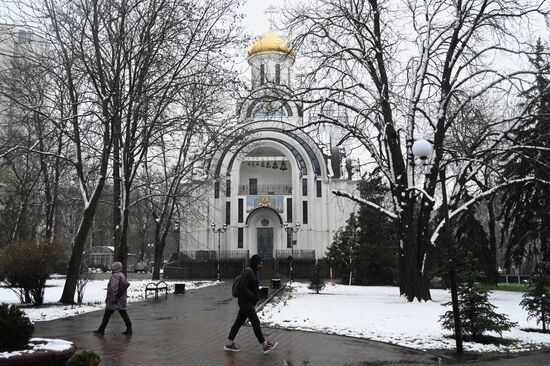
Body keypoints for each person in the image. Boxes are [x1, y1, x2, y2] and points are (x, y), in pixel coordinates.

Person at [224, 254, 277, 354]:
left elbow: (251, 285)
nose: (261, 265)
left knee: (238, 322)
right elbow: (242, 286)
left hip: (247, 303)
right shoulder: (248, 272)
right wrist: (251, 295)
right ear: (254, 263)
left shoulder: (254, 272)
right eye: (259, 263)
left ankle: (229, 344)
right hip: (245, 302)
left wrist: (257, 294)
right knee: (255, 322)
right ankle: (265, 345)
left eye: (261, 264)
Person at [93, 261, 132, 335]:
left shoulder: (115, 276)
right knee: (123, 312)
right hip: (121, 298)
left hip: (115, 299)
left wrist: (112, 299)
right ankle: (129, 328)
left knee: (107, 314)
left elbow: (114, 288)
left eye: (113, 267)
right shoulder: (121, 275)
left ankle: (101, 329)